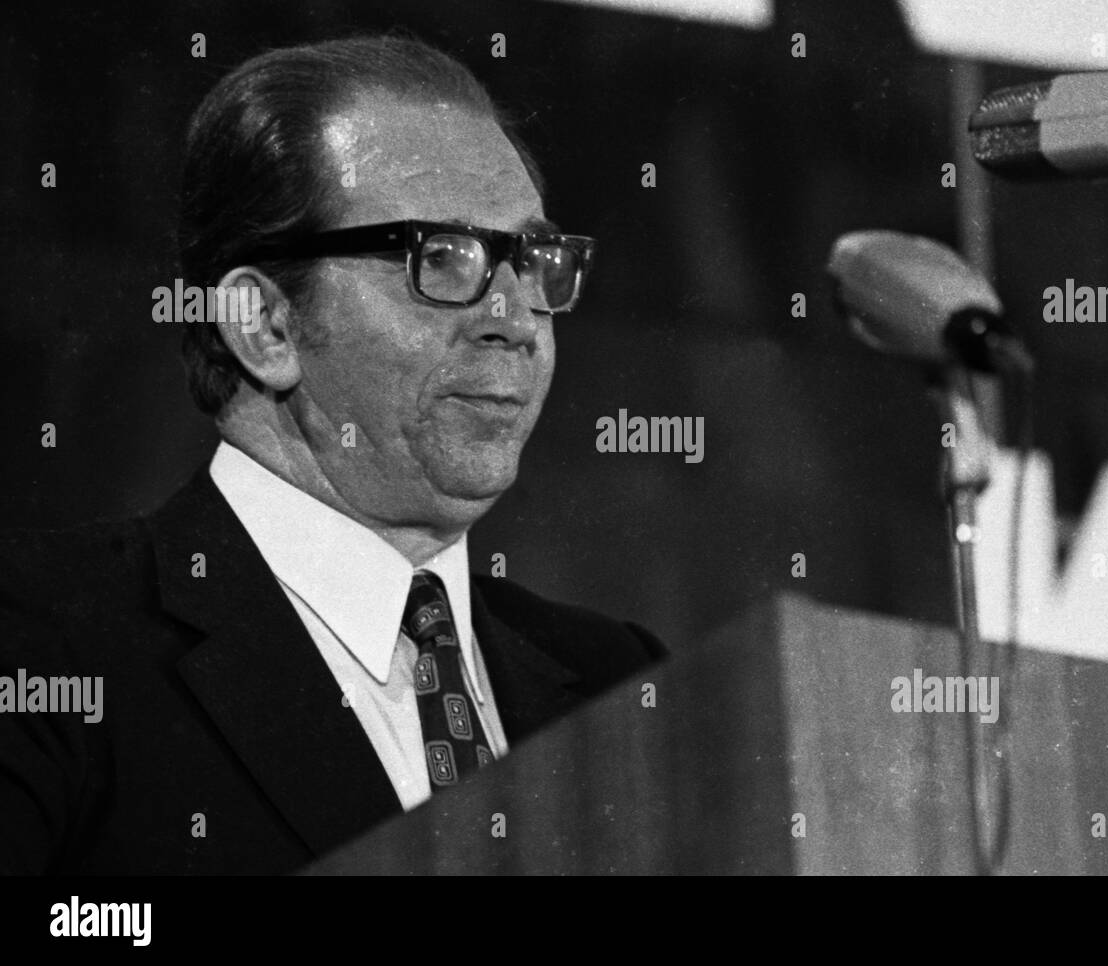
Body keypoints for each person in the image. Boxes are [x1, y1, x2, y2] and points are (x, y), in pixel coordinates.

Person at [0, 34, 666, 875]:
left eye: (534, 262)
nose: (515, 318)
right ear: (266, 326)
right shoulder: (43, 641)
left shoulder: (616, 679)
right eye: (444, 258)